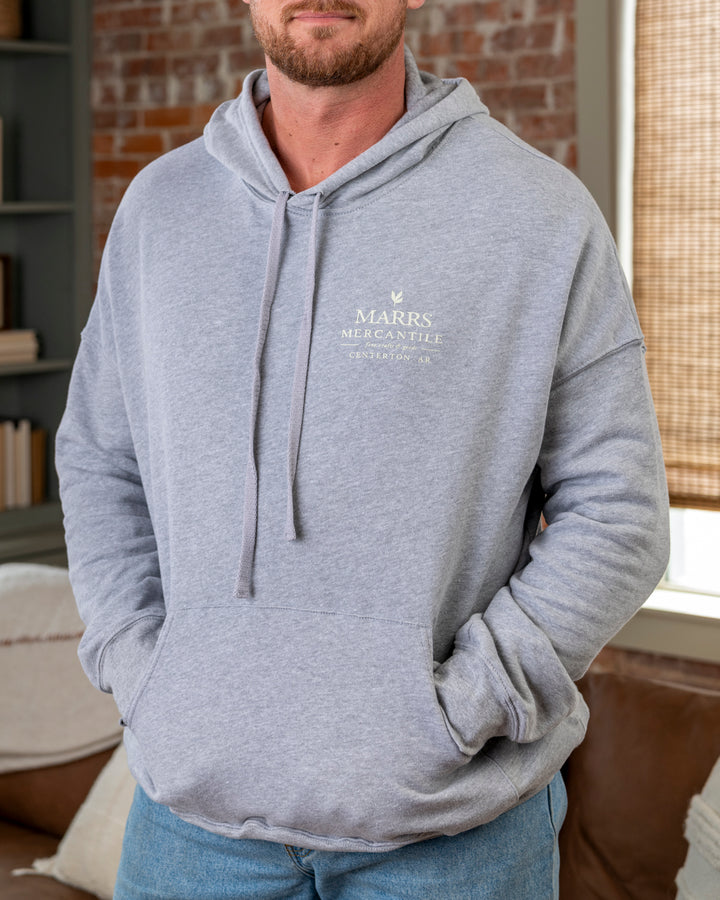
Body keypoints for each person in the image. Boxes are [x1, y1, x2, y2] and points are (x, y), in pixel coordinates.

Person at [55, 1, 670, 897]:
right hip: (191, 832)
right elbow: (98, 460)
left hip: (451, 841)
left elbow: (620, 515)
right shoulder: (160, 210)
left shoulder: (537, 214)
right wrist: (145, 674)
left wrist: (460, 711)